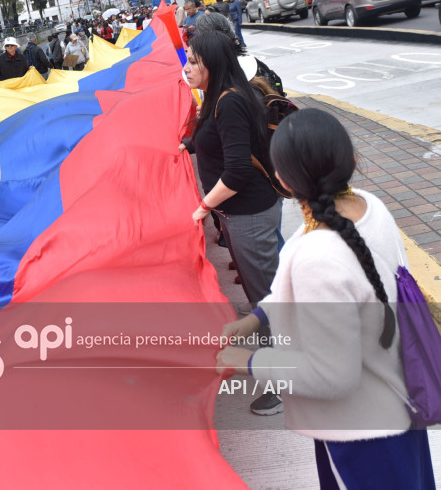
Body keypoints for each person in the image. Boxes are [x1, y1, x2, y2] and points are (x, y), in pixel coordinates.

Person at [216, 108, 436, 489]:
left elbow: (332, 377)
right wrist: (255, 319)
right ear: (350, 160)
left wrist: (249, 361)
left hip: (359, 433)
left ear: (282, 179)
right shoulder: (370, 208)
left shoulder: (317, 253)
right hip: (397, 401)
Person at [178, 30, 281, 415]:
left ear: (214, 65)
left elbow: (237, 171)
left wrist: (203, 206)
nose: (187, 68)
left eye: (194, 62)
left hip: (250, 215)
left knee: (267, 300)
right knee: (264, 295)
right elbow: (215, 141)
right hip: (244, 214)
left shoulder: (229, 103)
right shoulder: (219, 97)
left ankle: (284, 386)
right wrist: (187, 146)